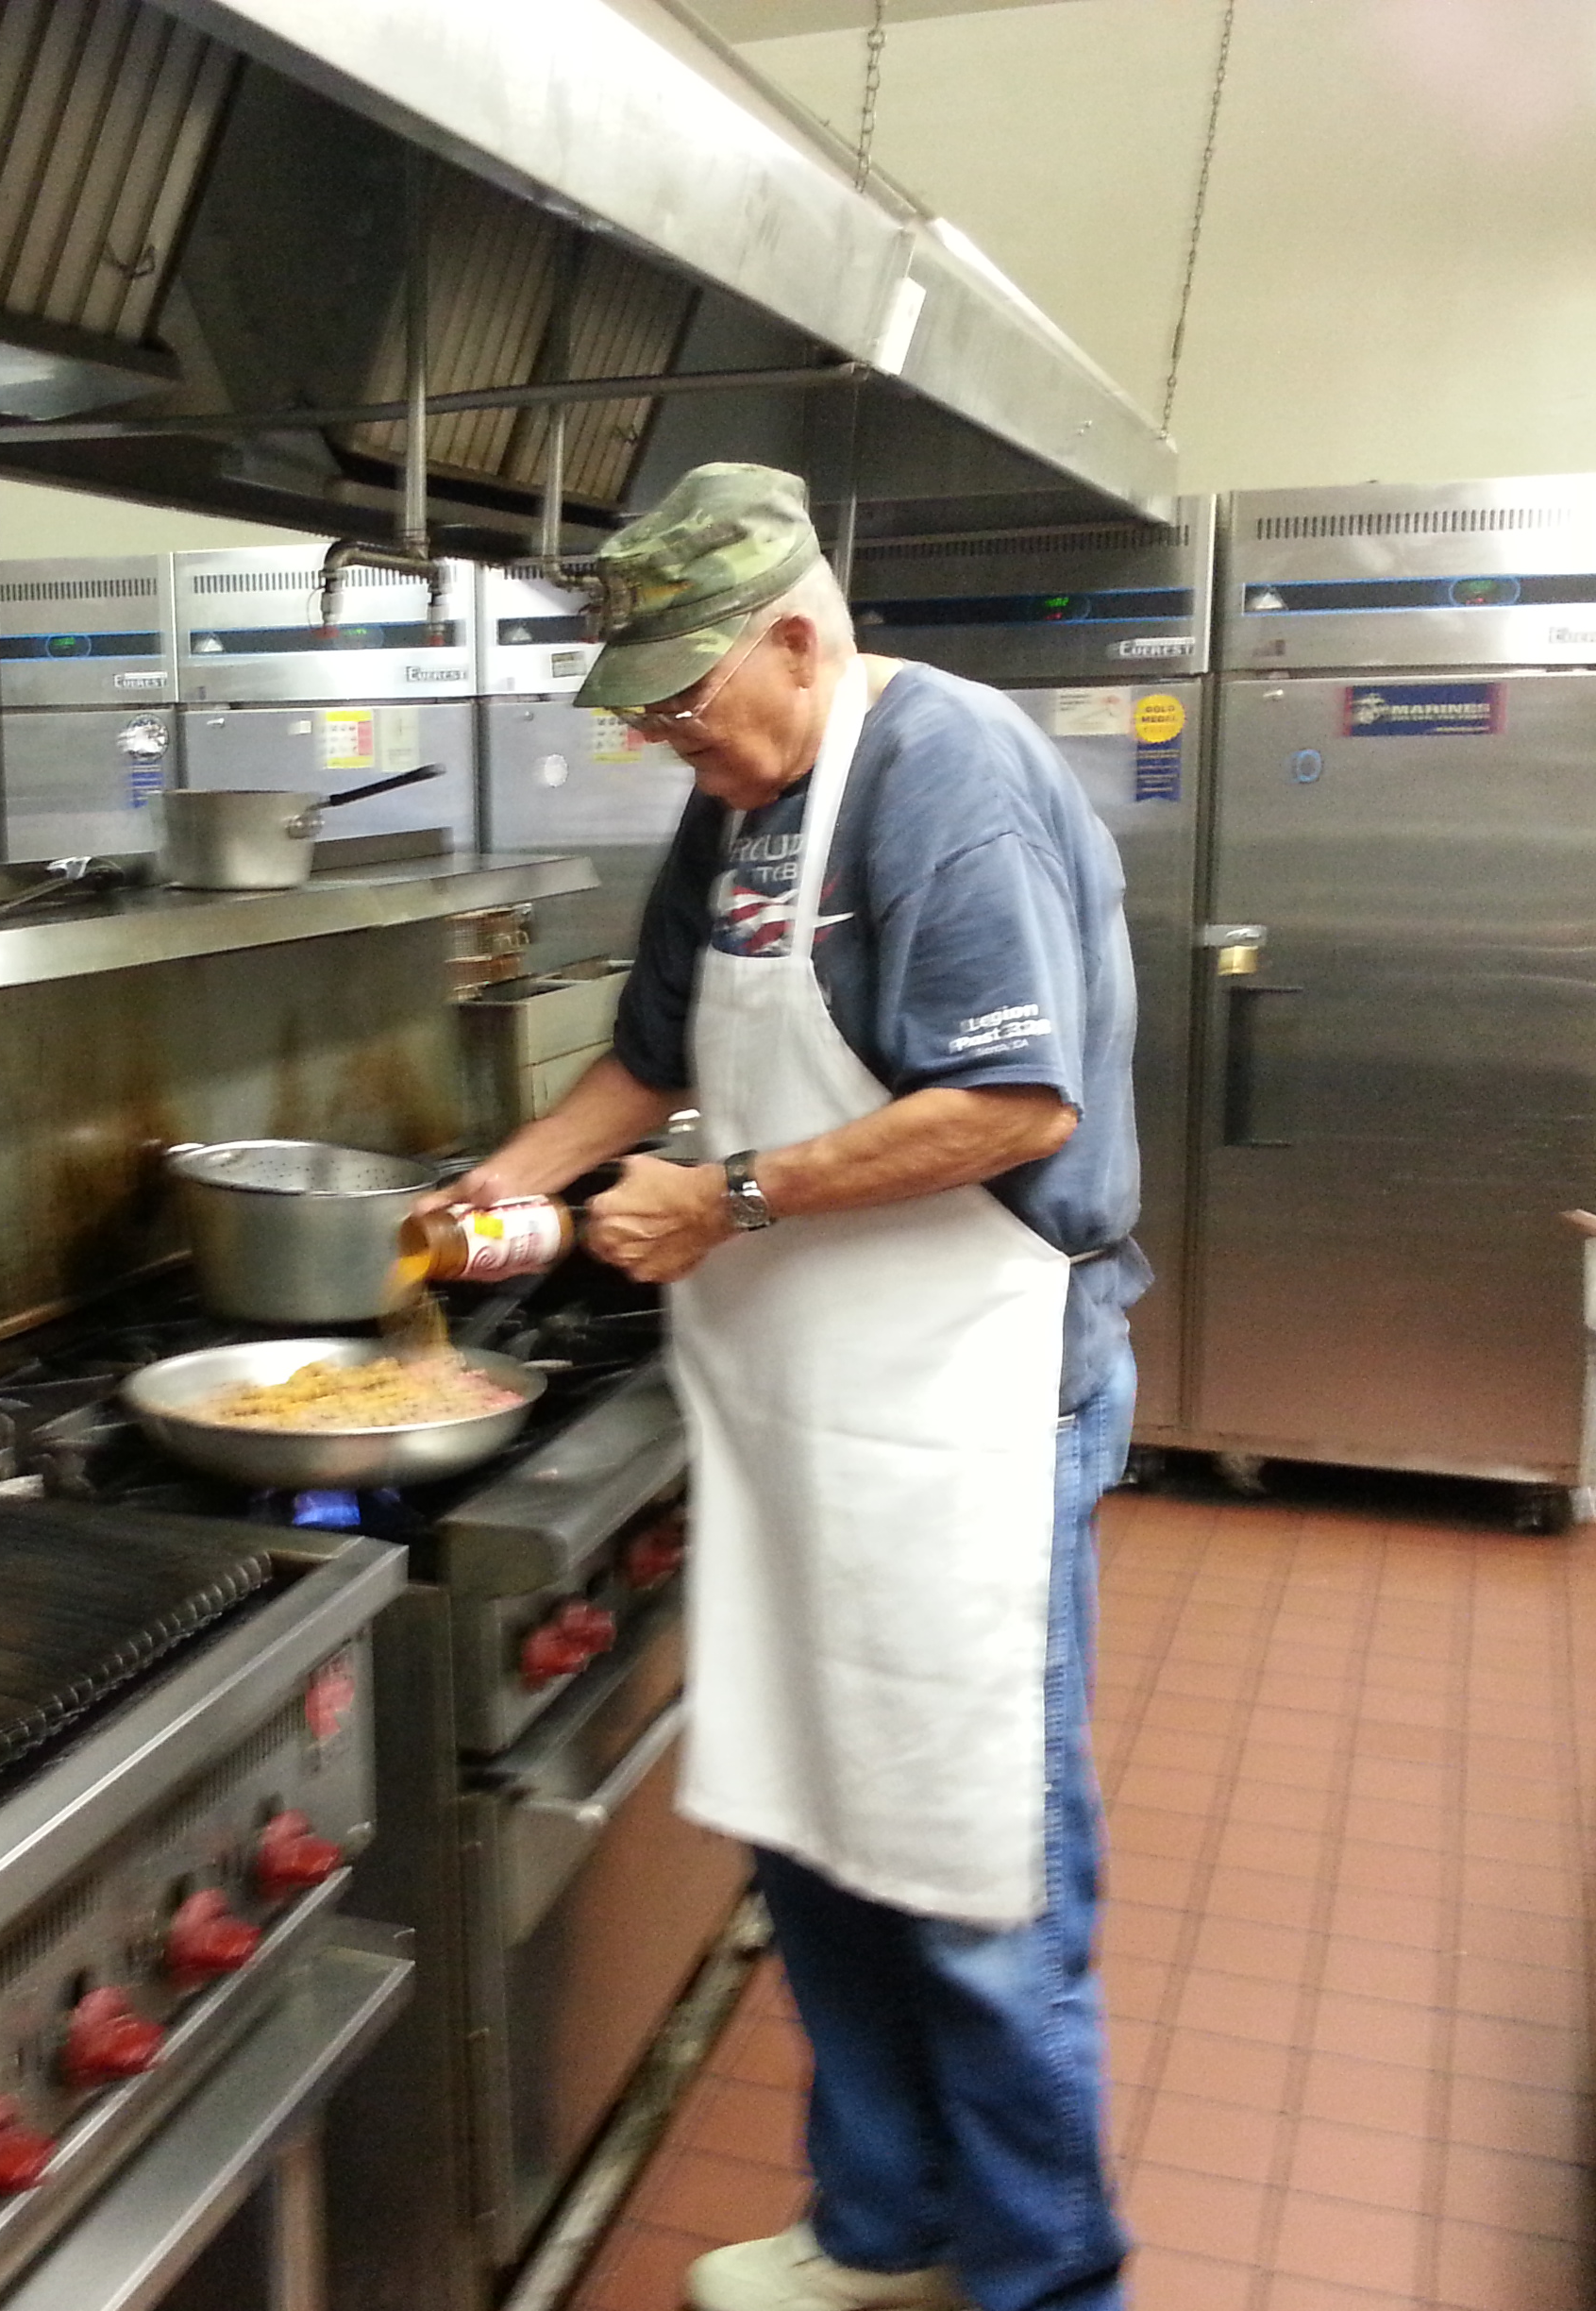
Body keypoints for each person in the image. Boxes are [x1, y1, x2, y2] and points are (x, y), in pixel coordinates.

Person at [444, 464, 1143, 2311]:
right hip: (803, 1401)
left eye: (686, 702)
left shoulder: (947, 776)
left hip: (972, 1400)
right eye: (648, 716)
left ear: (798, 637)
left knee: (978, 1865)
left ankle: (1047, 2285)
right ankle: (887, 2233)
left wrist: (727, 1198)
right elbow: (655, 1054)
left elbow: (1016, 1105)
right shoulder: (740, 801)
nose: (672, 743)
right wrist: (499, 1185)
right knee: (825, 1826)